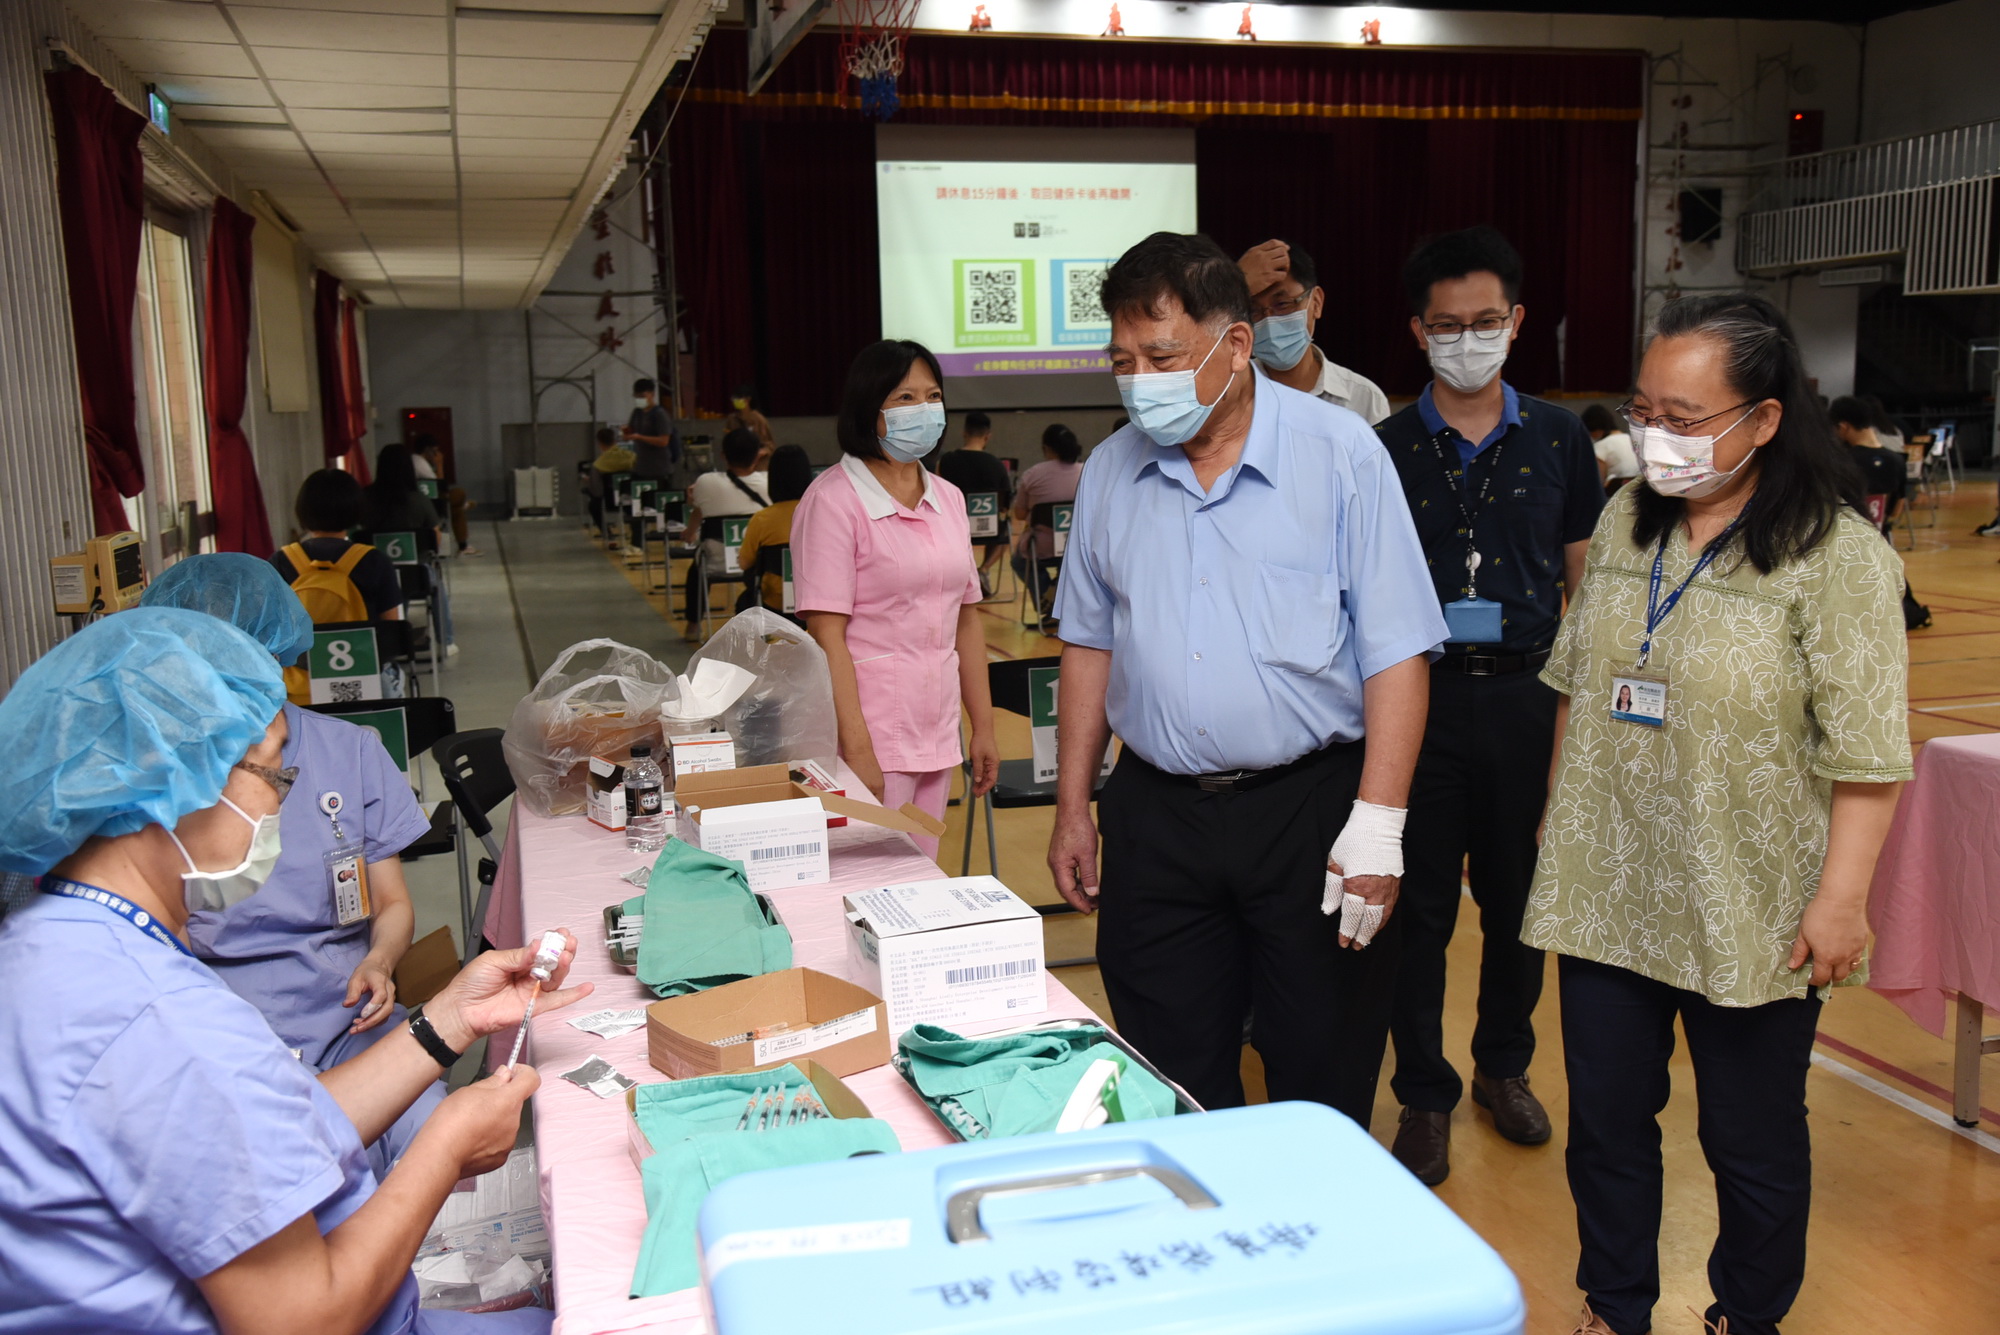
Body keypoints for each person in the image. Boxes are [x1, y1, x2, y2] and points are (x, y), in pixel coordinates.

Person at [0, 607, 587, 1333]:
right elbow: (303, 1319)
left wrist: (452, 1018)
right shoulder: (157, 1020)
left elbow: (259, 1135)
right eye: (272, 768)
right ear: (181, 779)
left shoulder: (56, 945)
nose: (284, 793)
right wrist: (444, 1146)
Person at [1530, 293, 1909, 1335]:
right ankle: (1612, 1306)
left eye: (1687, 419)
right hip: (1606, 882)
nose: (1657, 437)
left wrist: (1840, 902)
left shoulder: (1835, 560)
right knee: (1605, 1125)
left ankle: (1744, 1316)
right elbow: (1576, 682)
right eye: (1644, 409)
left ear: (1765, 418)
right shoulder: (1619, 520)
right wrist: (1560, 817)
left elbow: (1869, 756)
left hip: (1749, 895)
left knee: (1747, 1141)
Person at [1046, 231, 1446, 1126]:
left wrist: (1378, 826)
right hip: (1157, 817)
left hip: (1308, 814)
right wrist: (1075, 802)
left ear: (1234, 346)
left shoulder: (1341, 453)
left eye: (1161, 356)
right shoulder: (1112, 470)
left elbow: (1397, 650)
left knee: (1321, 1063)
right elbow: (1089, 643)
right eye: (1122, 360)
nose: (1138, 378)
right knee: (1167, 1068)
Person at [1374, 225, 1604, 1185]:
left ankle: (1500, 1066)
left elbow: (1584, 589)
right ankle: (1423, 1092)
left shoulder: (1558, 437)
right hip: (1416, 703)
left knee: (1519, 903)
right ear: (1417, 332)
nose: (1466, 338)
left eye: (1484, 322)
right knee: (1414, 911)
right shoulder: (1381, 447)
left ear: (1514, 322)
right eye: (1445, 325)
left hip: (1524, 699)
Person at [140, 554, 443, 1179]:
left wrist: (379, 962)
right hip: (228, 1031)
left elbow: (390, 904)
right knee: (291, 1170)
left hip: (350, 1012)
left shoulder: (348, 751)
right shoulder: (167, 778)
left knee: (431, 1138)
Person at [792, 339, 1001, 858]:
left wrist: (984, 726)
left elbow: (966, 621)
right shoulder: (833, 502)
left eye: (932, 396)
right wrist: (859, 750)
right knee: (866, 890)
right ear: (871, 409)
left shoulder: (948, 498)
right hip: (868, 738)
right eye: (905, 398)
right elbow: (826, 636)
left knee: (919, 881)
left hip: (937, 731)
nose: (924, 410)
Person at [1237, 238, 1392, 425]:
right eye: (1253, 311)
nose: (1269, 320)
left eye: (1283, 304)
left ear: (1316, 303)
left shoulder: (1363, 399)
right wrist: (1233, 285)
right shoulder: (1228, 395)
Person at [272, 468, 403, 623]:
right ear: (355, 507)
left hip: (302, 648)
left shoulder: (280, 561)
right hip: (359, 647)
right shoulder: (375, 561)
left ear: (303, 509)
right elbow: (391, 629)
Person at [364, 443, 454, 656]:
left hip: (374, 575)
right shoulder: (419, 500)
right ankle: (447, 640)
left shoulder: (365, 498)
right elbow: (435, 538)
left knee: (391, 587)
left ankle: (389, 641)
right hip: (416, 574)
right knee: (435, 588)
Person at [683, 427, 771, 641]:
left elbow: (698, 510)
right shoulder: (770, 482)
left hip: (717, 560)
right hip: (757, 564)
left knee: (697, 570)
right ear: (758, 454)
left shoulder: (705, 481)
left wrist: (689, 532)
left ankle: (694, 624)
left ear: (723, 455)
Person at [1009, 423, 1084, 624]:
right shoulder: (1086, 472)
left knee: (1019, 561)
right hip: (1079, 547)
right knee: (1067, 562)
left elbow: (1019, 513)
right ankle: (1057, 596)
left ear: (1047, 448)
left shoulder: (1033, 474)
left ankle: (1049, 602)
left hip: (1042, 546)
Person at [938, 410, 1013, 598]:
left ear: (964, 432)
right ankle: (984, 569)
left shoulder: (946, 461)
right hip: (990, 531)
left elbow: (937, 495)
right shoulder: (997, 465)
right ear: (988, 436)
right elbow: (1005, 506)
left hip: (955, 529)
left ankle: (960, 574)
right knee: (1004, 529)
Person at [739, 444, 812, 612]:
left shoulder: (762, 519)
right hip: (820, 599)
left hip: (775, 601)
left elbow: (744, 563)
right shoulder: (825, 513)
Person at [1831, 394, 1908, 532]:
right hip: (1879, 537)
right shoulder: (1898, 460)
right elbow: (1899, 505)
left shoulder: (1841, 461)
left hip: (1845, 537)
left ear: (1843, 427)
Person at [410, 434, 477, 556]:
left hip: (426, 500)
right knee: (459, 493)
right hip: (432, 503)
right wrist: (440, 465)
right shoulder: (421, 464)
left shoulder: (414, 460)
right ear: (427, 450)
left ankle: (464, 546)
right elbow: (439, 486)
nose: (437, 455)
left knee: (456, 509)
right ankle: (463, 544)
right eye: (435, 451)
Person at [624, 377, 678, 480]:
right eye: (637, 396)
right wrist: (627, 433)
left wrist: (640, 437)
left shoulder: (660, 414)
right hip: (640, 467)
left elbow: (663, 441)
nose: (640, 399)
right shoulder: (637, 412)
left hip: (659, 469)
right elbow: (632, 429)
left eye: (643, 396)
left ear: (652, 395)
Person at [1582, 402, 1640, 493]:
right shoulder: (1631, 438)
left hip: (1615, 492)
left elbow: (1598, 481)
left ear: (1593, 428)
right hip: (1639, 488)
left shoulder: (1601, 446)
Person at [725, 386, 778, 456]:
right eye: (734, 398)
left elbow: (769, 444)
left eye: (738, 398)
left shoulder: (758, 419)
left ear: (748, 399)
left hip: (757, 460)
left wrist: (759, 453)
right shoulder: (732, 419)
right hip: (737, 459)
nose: (735, 401)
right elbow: (728, 439)